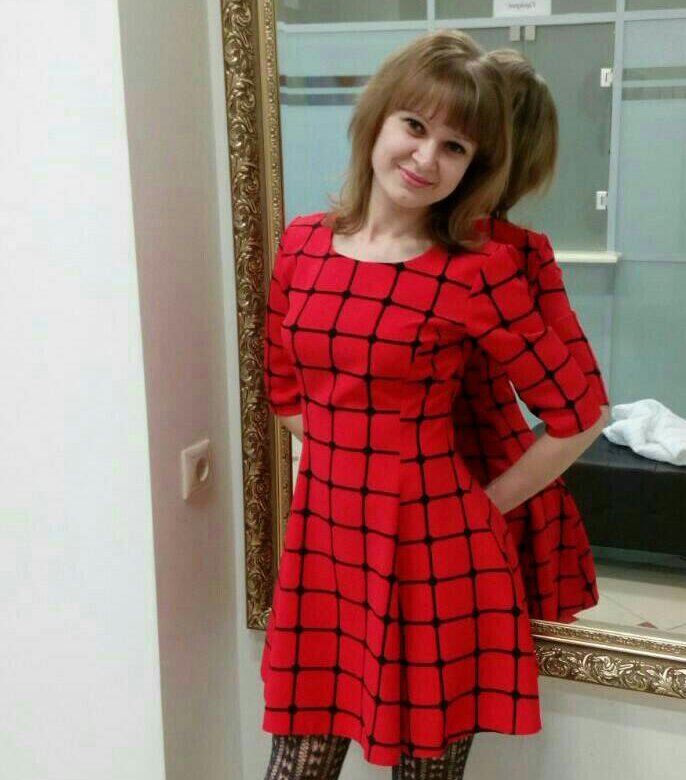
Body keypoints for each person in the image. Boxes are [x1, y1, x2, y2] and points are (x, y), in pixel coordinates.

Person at [261, 30, 608, 779]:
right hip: (324, 543)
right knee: (296, 763)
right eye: (414, 126)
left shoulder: (478, 271)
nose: (425, 157)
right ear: (378, 119)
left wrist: (483, 505)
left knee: (425, 774)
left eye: (454, 147)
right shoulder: (303, 244)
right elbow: (284, 388)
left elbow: (580, 413)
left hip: (436, 549)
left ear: (473, 168)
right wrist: (347, 462)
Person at [452, 49, 611, 625]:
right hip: (491, 479)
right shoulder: (379, 239)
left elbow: (588, 412)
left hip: (492, 482)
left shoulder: (516, 254)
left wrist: (480, 508)